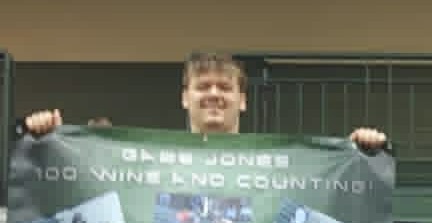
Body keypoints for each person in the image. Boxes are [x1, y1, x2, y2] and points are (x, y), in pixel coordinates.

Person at [22, 51, 387, 150]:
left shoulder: (277, 166)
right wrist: (46, 140)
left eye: (224, 87)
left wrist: (359, 153)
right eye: (203, 86)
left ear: (242, 101)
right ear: (185, 98)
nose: (213, 94)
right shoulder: (150, 161)